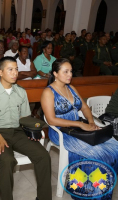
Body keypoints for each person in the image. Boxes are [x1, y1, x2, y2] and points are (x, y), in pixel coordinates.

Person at [41, 58, 118, 200]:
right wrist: (81, 125)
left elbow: (84, 107)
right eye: (65, 72)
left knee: (114, 147)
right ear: (55, 74)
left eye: (70, 71)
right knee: (98, 154)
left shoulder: (71, 88)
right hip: (61, 131)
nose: (70, 74)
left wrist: (91, 122)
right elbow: (51, 120)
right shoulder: (48, 92)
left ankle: (104, 191)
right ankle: (89, 193)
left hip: (77, 127)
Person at [0, 57, 52, 200]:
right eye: (10, 69)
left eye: (16, 69)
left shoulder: (21, 92)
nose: (15, 73)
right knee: (7, 161)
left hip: (18, 132)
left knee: (43, 156)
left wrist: (33, 130)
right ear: (0, 72)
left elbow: (24, 118)